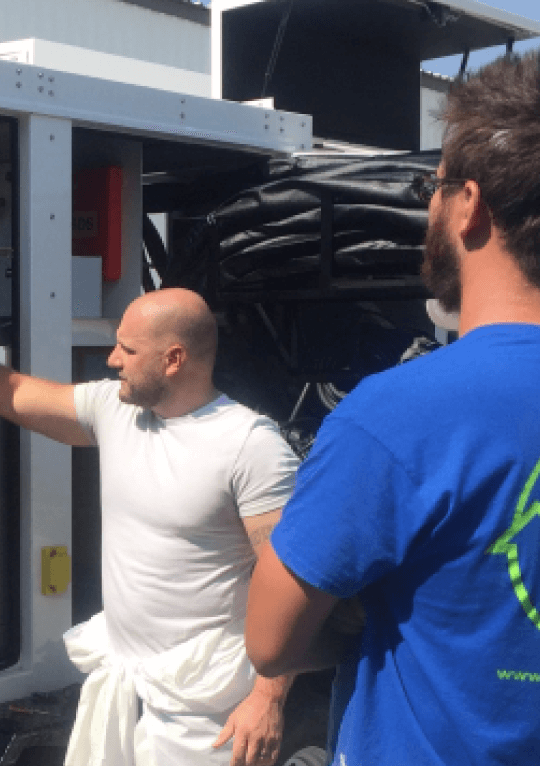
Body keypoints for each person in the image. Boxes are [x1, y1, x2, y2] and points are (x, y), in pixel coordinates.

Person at [0, 286, 299, 766]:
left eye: (128, 350)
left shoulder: (250, 446)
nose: (112, 360)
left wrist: (268, 699)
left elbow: (292, 581)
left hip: (206, 711)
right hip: (122, 694)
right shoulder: (114, 410)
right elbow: (10, 393)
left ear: (174, 358)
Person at [245, 49, 540, 766]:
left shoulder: (397, 416)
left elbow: (270, 641)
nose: (429, 206)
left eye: (430, 187)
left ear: (468, 205)